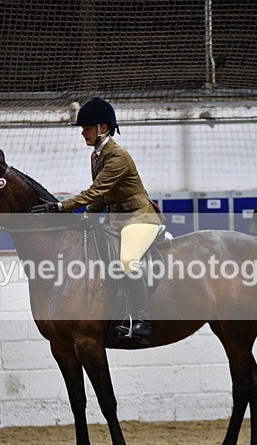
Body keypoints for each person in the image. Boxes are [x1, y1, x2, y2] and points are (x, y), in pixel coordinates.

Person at [31, 97, 163, 346]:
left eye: (87, 128)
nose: (83, 133)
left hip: (139, 218)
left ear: (103, 128)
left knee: (127, 260)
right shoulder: (97, 155)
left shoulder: (118, 156)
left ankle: (143, 322)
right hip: (117, 221)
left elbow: (94, 190)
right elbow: (101, 197)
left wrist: (61, 206)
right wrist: (87, 218)